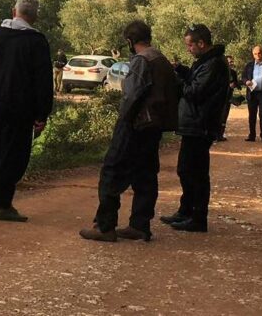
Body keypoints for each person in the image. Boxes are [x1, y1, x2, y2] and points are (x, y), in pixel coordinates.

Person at [79, 21, 179, 242]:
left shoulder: (141, 61)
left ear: (129, 42)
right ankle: (140, 225)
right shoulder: (161, 59)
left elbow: (132, 96)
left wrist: (123, 121)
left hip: (135, 125)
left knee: (111, 171)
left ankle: (105, 227)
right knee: (145, 175)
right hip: (154, 128)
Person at [0, 0, 54, 222]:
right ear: (35, 17)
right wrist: (42, 113)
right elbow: (42, 81)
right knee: (14, 154)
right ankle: (3, 203)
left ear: (14, 11)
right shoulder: (36, 42)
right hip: (18, 107)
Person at [161, 24, 229, 233]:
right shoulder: (204, 62)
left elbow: (195, 91)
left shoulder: (214, 64)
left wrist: (176, 80)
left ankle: (198, 218)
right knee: (185, 169)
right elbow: (194, 80)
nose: (188, 49)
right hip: (193, 124)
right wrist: (181, 69)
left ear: (201, 43)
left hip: (201, 125)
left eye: (190, 45)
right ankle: (186, 210)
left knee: (196, 172)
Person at [216, 56, 240, 142]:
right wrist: (227, 85)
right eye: (229, 62)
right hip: (218, 97)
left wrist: (235, 84)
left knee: (224, 116)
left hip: (228, 97)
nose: (230, 63)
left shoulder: (233, 72)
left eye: (232, 62)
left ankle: (220, 135)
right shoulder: (219, 72)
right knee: (217, 116)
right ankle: (214, 134)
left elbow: (237, 83)